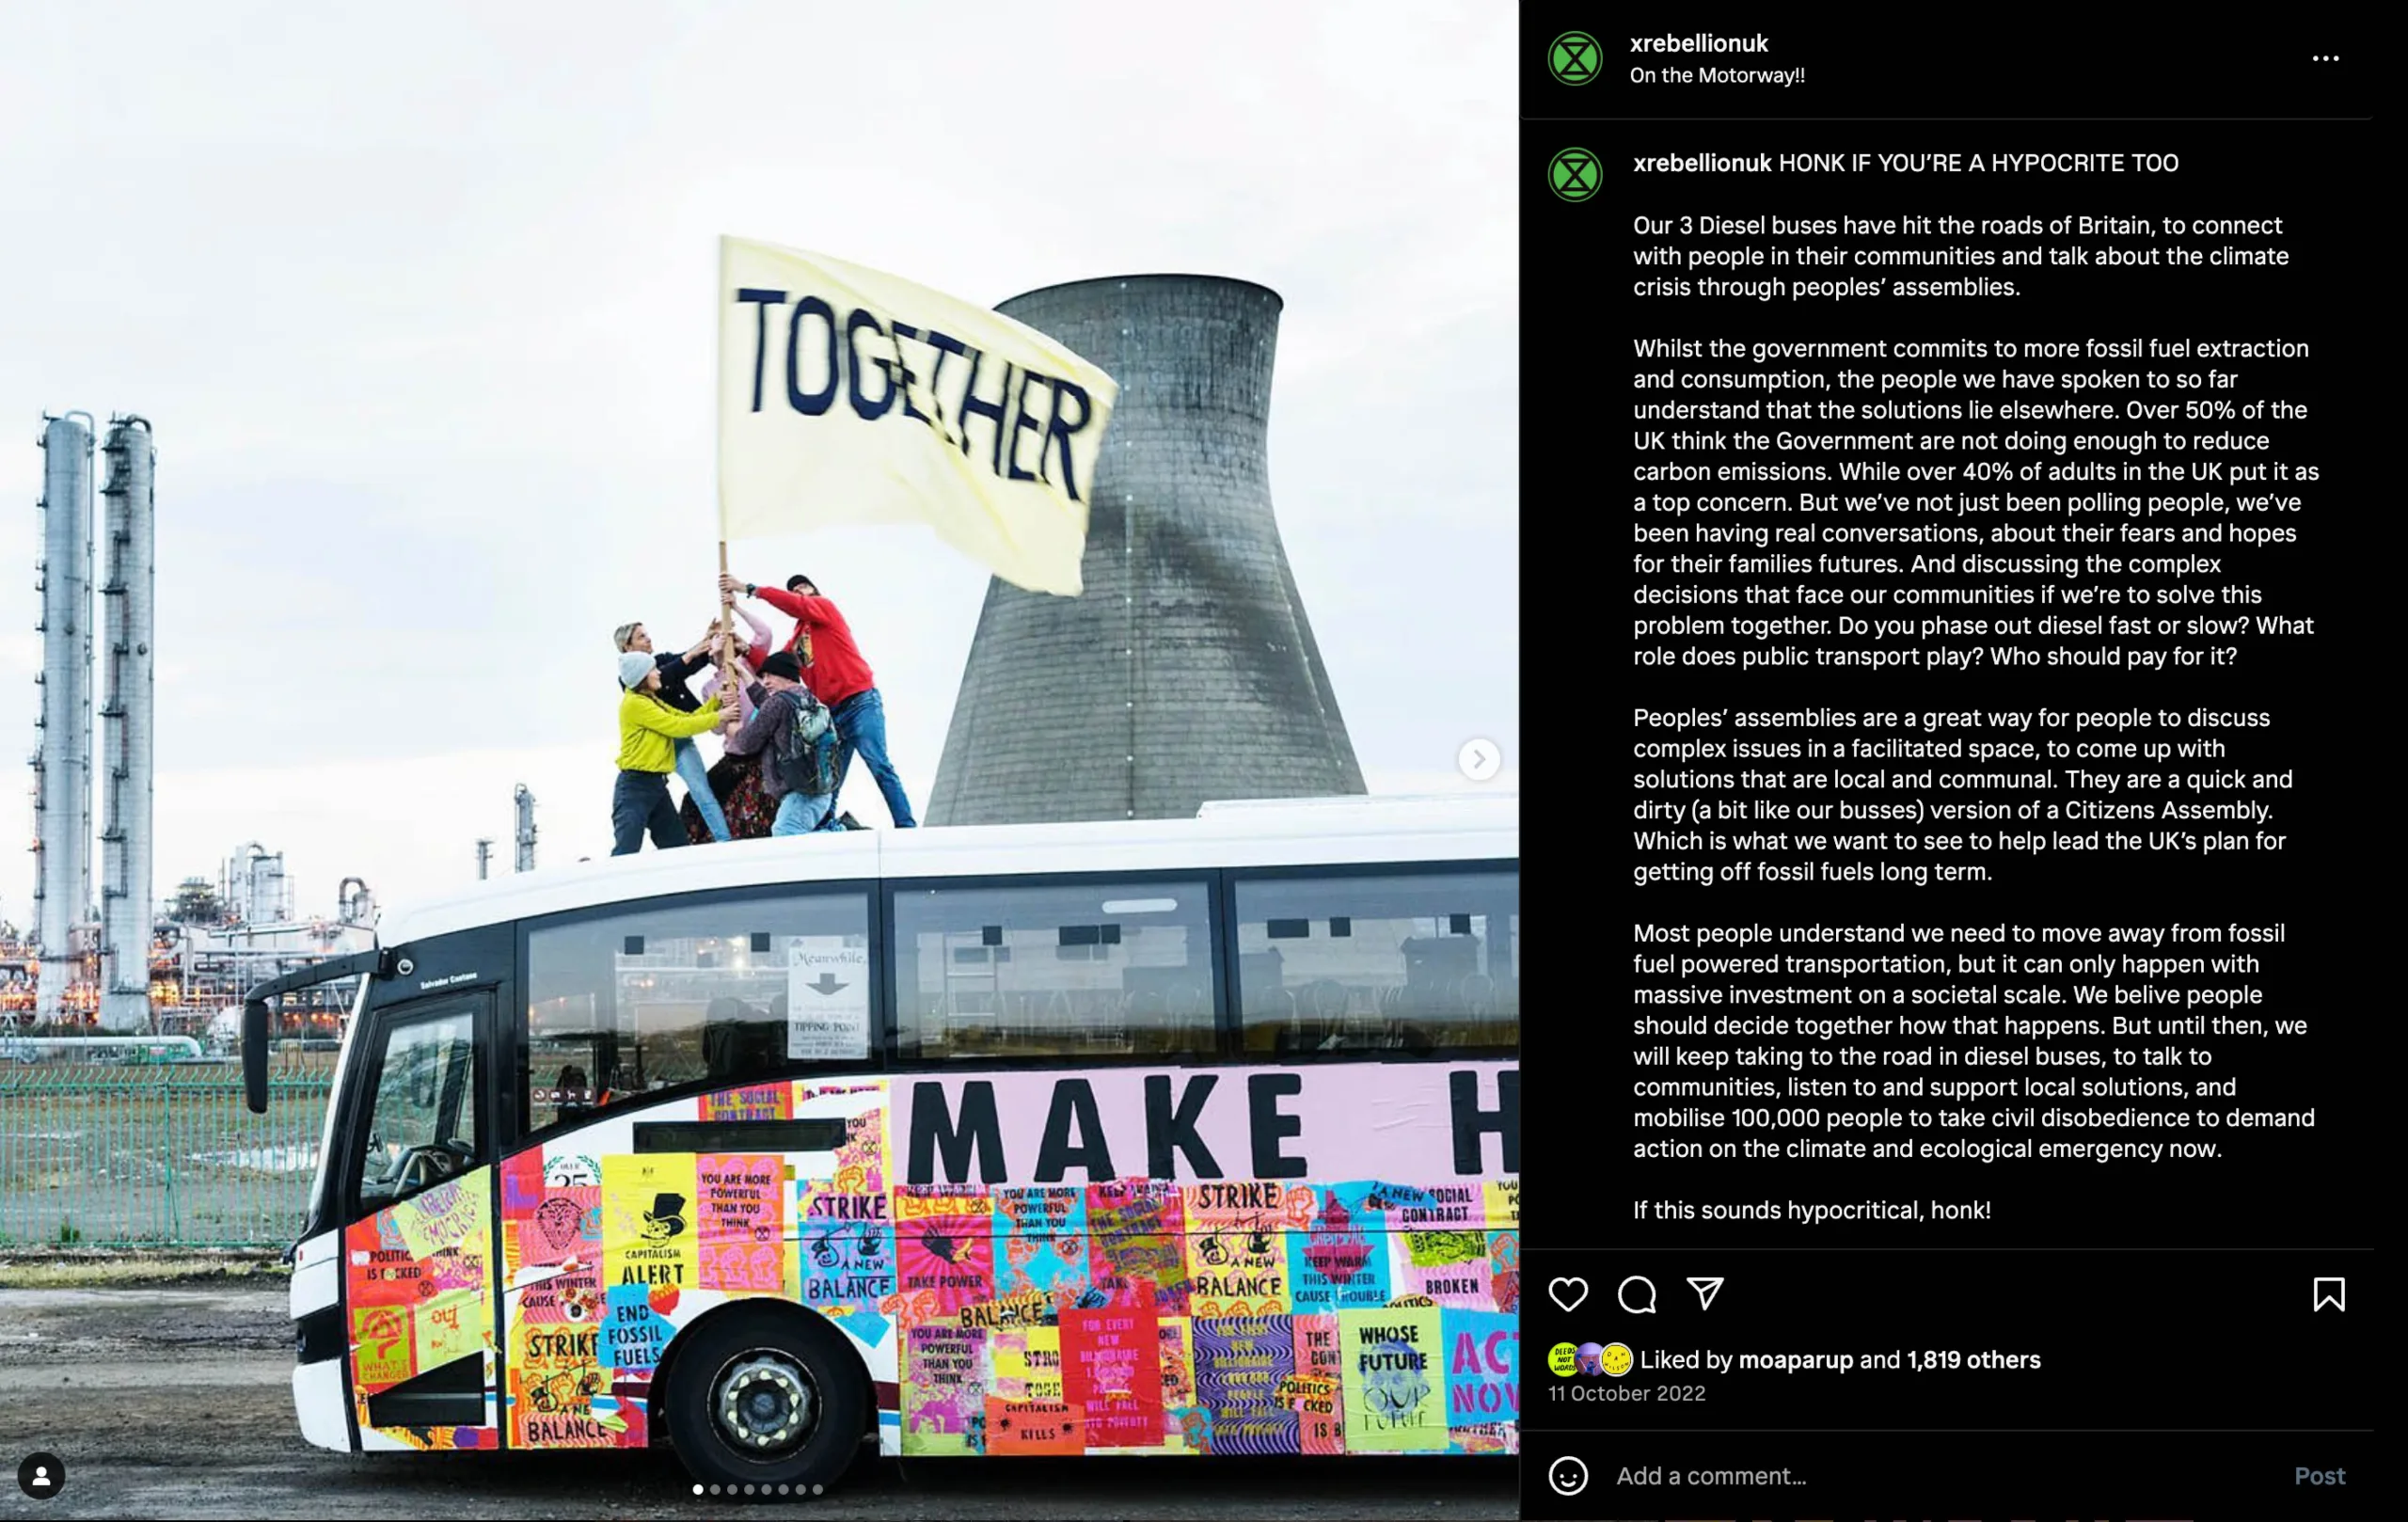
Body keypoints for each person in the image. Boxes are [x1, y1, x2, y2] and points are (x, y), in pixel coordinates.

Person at [721, 570, 916, 829]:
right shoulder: (797, 641)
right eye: (793, 590)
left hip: (859, 701)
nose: (799, 592)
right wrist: (744, 647)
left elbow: (797, 605)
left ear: (814, 592)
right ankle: (827, 828)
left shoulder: (825, 610)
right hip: (831, 713)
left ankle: (906, 826)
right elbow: (774, 667)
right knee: (829, 778)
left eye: (804, 587)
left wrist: (749, 588)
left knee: (879, 764)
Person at [612, 620, 733, 844]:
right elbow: (675, 671)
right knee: (629, 842)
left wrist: (709, 642)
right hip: (645, 768)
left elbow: (688, 664)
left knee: (701, 793)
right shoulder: (632, 684)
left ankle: (725, 842)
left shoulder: (660, 664)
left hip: (672, 750)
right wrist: (719, 716)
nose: (648, 638)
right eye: (641, 636)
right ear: (627, 647)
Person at [722, 650, 838, 836]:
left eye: (770, 675)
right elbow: (767, 703)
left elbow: (747, 743)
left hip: (800, 793)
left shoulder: (777, 704)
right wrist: (745, 675)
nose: (765, 681)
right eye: (763, 676)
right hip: (820, 787)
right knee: (797, 835)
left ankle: (845, 839)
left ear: (786, 675)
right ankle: (837, 833)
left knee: (785, 832)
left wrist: (735, 730)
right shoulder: (808, 699)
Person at [682, 627, 776, 842]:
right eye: (716, 641)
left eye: (724, 640)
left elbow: (765, 636)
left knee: (749, 809)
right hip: (734, 754)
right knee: (694, 802)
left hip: (760, 751)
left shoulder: (748, 665)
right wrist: (722, 713)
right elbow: (715, 730)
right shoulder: (709, 687)